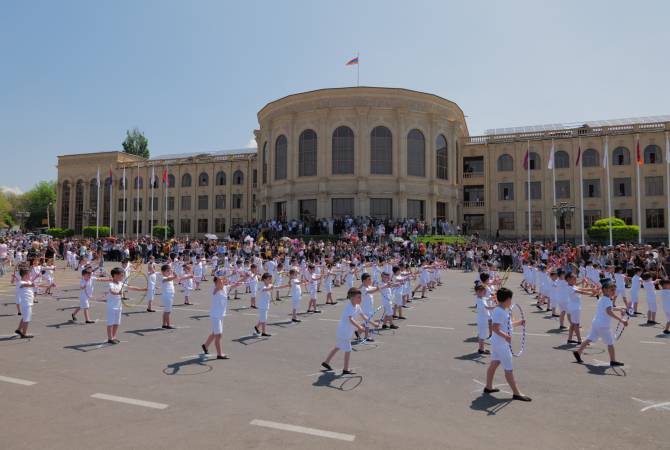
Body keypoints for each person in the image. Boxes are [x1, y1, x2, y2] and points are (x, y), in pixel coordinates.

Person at [483, 287, 531, 401]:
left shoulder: (502, 310)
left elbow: (507, 325)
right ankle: (516, 393)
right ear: (506, 299)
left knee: (494, 363)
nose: (511, 301)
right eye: (511, 299)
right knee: (508, 369)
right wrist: (506, 336)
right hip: (502, 344)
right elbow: (495, 328)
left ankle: (488, 387)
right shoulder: (499, 311)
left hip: (497, 343)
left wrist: (519, 323)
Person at [321, 287, 377, 375]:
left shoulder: (357, 306)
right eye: (358, 297)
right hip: (344, 332)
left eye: (360, 297)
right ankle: (345, 369)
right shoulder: (349, 307)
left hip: (345, 331)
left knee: (338, 346)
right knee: (348, 349)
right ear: (352, 298)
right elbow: (350, 319)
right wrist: (359, 326)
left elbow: (364, 316)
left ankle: (326, 362)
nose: (360, 299)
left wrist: (373, 323)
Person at [572, 280, 626, 367]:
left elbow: (610, 308)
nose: (613, 292)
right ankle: (613, 360)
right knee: (610, 343)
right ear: (605, 290)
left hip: (596, 323)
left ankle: (578, 352)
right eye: (611, 290)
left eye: (614, 290)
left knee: (589, 338)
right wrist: (621, 320)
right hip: (604, 325)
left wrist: (620, 309)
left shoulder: (602, 299)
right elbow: (609, 311)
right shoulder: (607, 300)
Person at [201, 274, 247, 359]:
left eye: (222, 280)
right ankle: (219, 354)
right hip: (215, 315)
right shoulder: (214, 288)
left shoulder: (225, 288)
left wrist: (245, 277)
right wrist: (221, 278)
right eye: (220, 280)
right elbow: (218, 287)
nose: (222, 281)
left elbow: (237, 284)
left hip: (221, 315)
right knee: (219, 335)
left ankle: (205, 346)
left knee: (215, 333)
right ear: (216, 282)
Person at [14, 266, 35, 338]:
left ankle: (19, 329)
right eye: (29, 274)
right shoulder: (20, 283)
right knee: (27, 319)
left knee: (25, 317)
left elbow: (35, 286)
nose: (30, 276)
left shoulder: (28, 282)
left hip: (29, 303)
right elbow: (23, 285)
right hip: (26, 304)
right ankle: (24, 333)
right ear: (25, 275)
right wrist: (30, 285)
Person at [475, 283, 496, 354]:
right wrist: (496, 307)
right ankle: (481, 349)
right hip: (482, 320)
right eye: (483, 292)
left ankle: (482, 348)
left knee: (482, 334)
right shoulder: (480, 301)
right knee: (482, 335)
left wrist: (493, 297)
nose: (485, 293)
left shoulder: (482, 298)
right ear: (478, 292)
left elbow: (487, 298)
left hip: (484, 319)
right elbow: (487, 307)